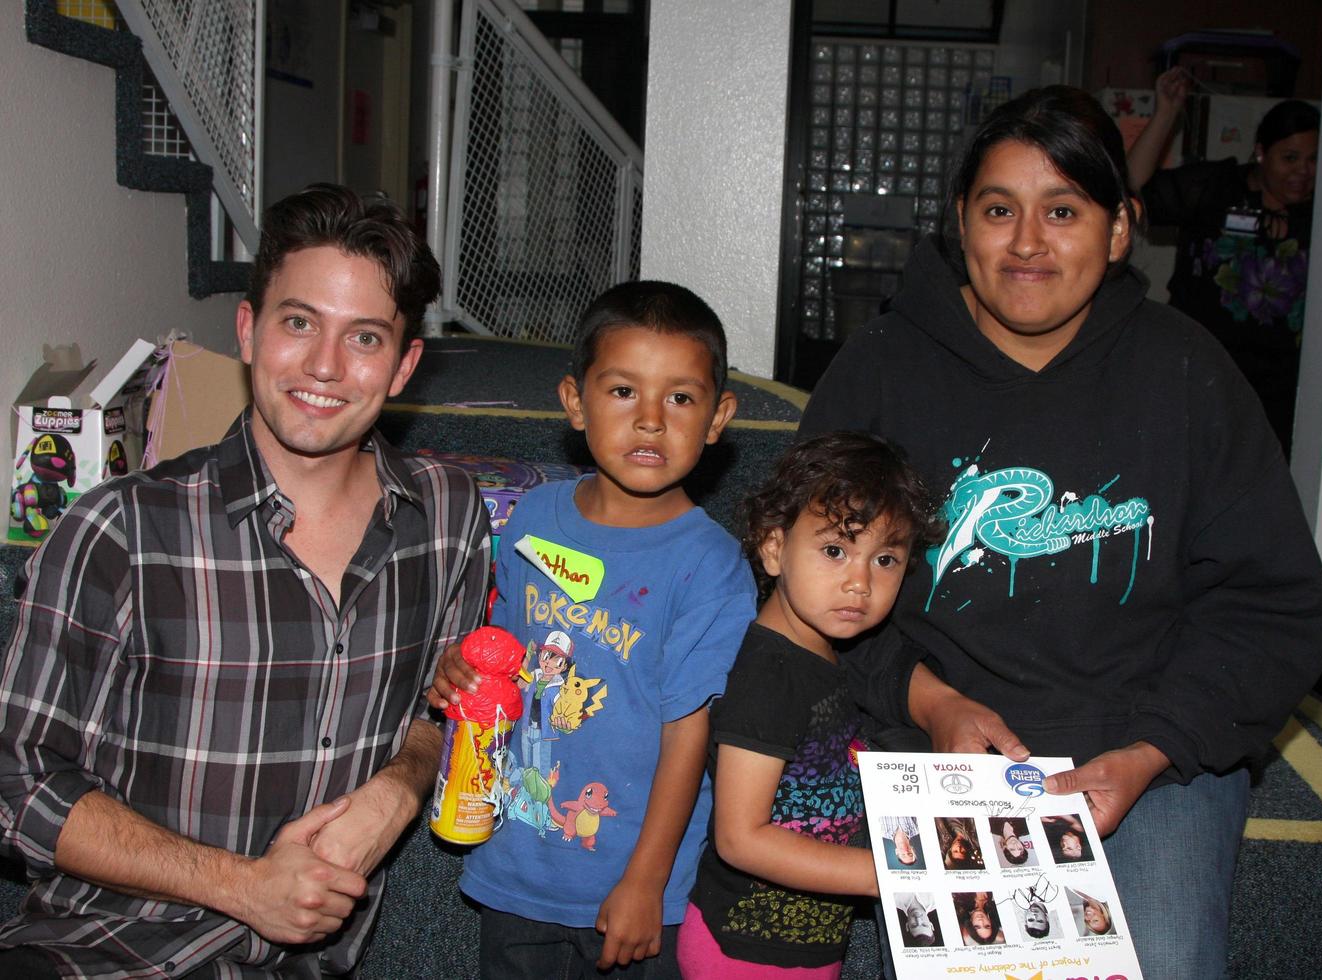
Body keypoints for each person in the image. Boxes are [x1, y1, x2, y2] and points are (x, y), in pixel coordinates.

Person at [799, 85, 1322, 979]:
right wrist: (928, 700)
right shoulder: (881, 370)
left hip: (1155, 753)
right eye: (999, 209)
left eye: (1064, 211)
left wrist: (1151, 749)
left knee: (1162, 963)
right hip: (936, 745)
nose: (1028, 244)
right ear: (960, 222)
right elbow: (806, 589)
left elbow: (1271, 603)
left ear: (1120, 229)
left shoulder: (1189, 372)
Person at [0, 184, 493, 977]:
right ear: (247, 331)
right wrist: (242, 886)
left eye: (364, 338)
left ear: (403, 366)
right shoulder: (120, 529)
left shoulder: (448, 516)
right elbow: (16, 783)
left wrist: (401, 785)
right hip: (100, 953)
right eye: (299, 323)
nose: (324, 367)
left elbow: (445, 704)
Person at [429, 281, 756, 978]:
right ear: (575, 402)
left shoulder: (713, 566)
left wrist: (647, 881)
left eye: (680, 398)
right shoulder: (532, 518)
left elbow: (689, 732)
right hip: (517, 865)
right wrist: (460, 669)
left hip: (637, 887)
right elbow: (507, 659)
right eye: (622, 392)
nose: (649, 421)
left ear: (718, 416)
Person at [677, 432, 940, 978]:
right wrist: (886, 875)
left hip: (806, 942)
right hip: (745, 951)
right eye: (835, 550)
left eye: (886, 558)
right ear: (774, 549)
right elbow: (740, 837)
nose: (859, 582)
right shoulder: (771, 673)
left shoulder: (822, 655)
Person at [1126, 66, 1321, 456]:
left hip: (1284, 391)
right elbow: (1132, 186)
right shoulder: (1217, 187)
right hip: (1199, 376)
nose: (1303, 171)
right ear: (1262, 153)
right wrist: (1166, 111)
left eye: (1314, 159)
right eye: (1290, 157)